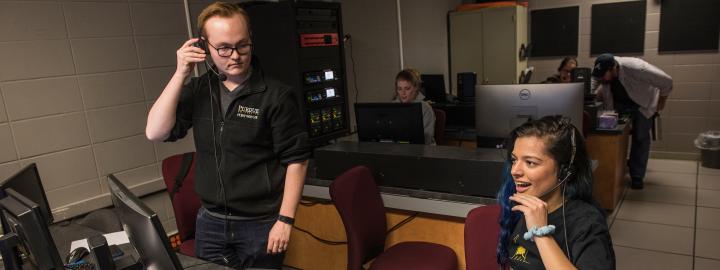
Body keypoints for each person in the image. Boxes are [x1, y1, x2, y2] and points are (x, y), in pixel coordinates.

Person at [145, 2, 311, 268]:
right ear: (205, 47)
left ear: (251, 41)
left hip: (260, 224)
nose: (234, 55)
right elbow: (155, 131)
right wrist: (180, 74)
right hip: (210, 222)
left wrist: (285, 221)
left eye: (242, 45)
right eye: (223, 48)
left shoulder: (275, 96)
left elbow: (297, 160)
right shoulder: (200, 90)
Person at [496, 116, 615, 270]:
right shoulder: (525, 208)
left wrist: (540, 233)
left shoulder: (587, 223)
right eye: (514, 160)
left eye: (530, 162)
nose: (514, 171)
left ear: (565, 170)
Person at [591, 53, 673, 189]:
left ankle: (637, 176)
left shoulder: (636, 67)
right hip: (619, 103)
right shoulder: (601, 70)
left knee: (640, 137)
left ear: (614, 68)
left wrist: (662, 100)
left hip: (642, 104)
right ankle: (618, 169)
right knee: (614, 134)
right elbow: (593, 83)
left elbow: (667, 81)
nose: (601, 79)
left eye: (604, 75)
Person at [392, 68, 436, 145]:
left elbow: (426, 140)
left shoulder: (426, 109)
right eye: (399, 89)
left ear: (415, 88)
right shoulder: (392, 106)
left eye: (407, 88)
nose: (403, 93)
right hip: (399, 149)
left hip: (423, 151)